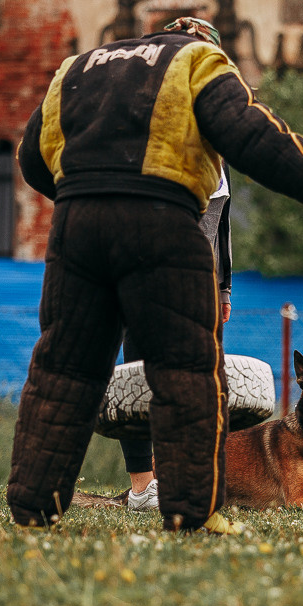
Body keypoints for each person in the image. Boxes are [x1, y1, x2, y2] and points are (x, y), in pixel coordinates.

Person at [10, 16, 303, 534]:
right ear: (205, 44)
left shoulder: (78, 68)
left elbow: (30, 157)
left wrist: (85, 193)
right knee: (187, 372)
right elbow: (249, 132)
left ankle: (33, 508)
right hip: (162, 221)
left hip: (77, 227)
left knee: (62, 369)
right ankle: (191, 510)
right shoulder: (196, 62)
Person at [121, 163, 233, 512]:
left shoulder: (219, 150)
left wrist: (223, 287)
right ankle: (142, 487)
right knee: (140, 379)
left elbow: (221, 227)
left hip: (200, 287)